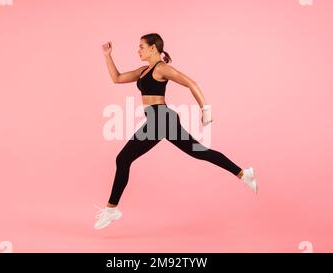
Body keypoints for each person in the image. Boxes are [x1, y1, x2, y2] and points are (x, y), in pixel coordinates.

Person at [94, 33, 258, 230]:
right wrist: (107, 55)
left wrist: (205, 110)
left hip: (161, 119)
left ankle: (112, 209)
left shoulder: (161, 68)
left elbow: (191, 83)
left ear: (153, 48)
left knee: (123, 159)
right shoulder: (143, 71)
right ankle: (243, 174)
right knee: (199, 152)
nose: (138, 50)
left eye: (141, 47)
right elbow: (117, 78)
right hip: (159, 119)